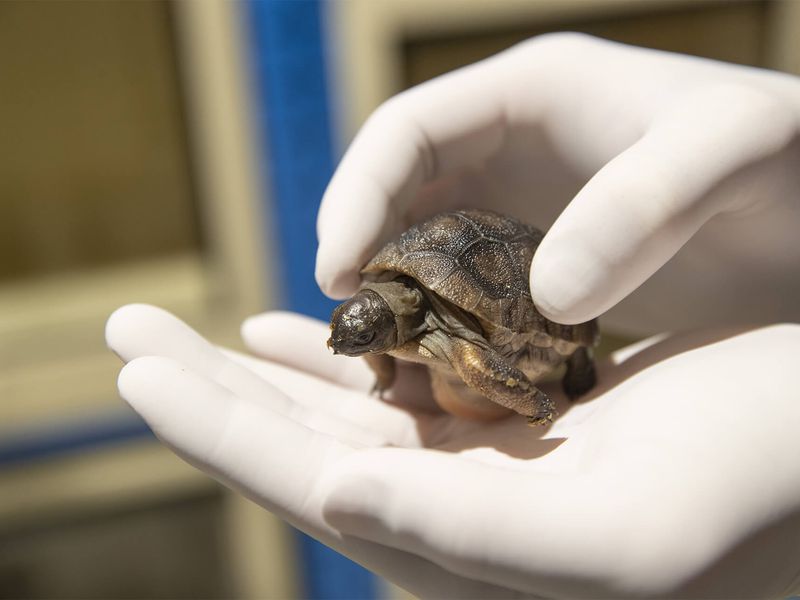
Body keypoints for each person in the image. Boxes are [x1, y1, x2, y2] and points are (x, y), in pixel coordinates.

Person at [106, 34, 800, 598]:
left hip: (511, 296)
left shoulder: (446, 337)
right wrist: (379, 361)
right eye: (358, 328)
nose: (358, 340)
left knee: (499, 358)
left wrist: (532, 404)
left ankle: (569, 369)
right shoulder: (385, 318)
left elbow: (474, 359)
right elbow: (380, 334)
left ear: (391, 319)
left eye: (367, 333)